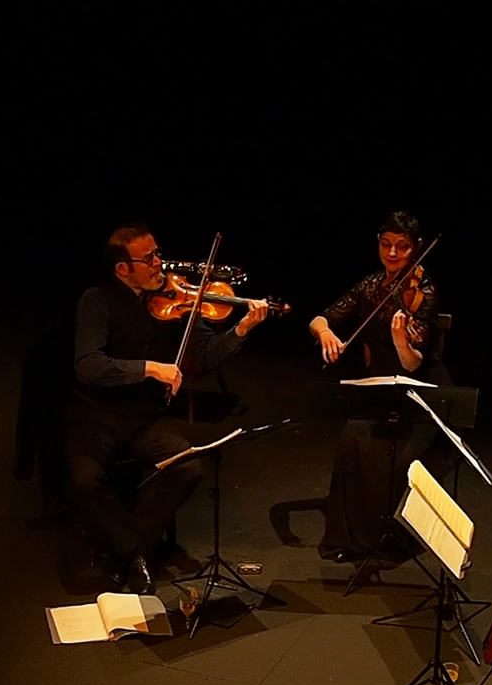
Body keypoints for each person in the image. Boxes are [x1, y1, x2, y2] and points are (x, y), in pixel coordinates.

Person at [67, 224, 270, 593]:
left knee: (187, 468)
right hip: (95, 415)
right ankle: (134, 552)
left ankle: (129, 549)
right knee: (84, 481)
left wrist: (241, 329)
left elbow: (206, 355)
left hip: (142, 418)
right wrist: (149, 368)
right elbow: (88, 364)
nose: (160, 264)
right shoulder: (96, 300)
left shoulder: (174, 303)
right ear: (122, 269)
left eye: (158, 253)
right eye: (149, 259)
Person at [305, 211, 446, 563]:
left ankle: (384, 538)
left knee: (393, 453)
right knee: (353, 437)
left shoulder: (424, 292)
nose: (393, 253)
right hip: (379, 385)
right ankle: (349, 539)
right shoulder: (371, 286)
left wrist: (400, 339)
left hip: (418, 390)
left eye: (402, 247)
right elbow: (320, 317)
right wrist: (325, 333)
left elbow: (414, 362)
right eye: (386, 245)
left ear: (415, 249)